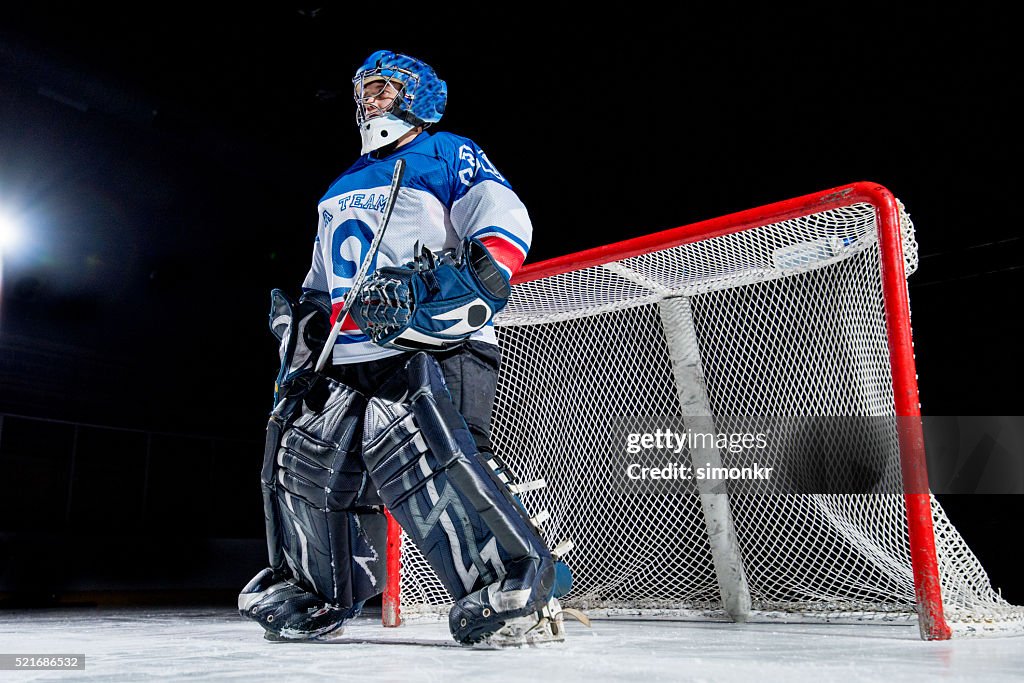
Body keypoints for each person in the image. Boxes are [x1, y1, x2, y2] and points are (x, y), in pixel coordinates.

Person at [237, 50, 567, 647]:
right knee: (308, 462)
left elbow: (505, 226)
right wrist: (302, 341)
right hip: (351, 354)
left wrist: (439, 292)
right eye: (364, 89)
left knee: (435, 465)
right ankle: (318, 589)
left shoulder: (448, 153)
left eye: (384, 88)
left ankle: (513, 585)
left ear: (418, 95)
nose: (369, 99)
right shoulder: (340, 183)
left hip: (434, 343)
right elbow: (321, 283)